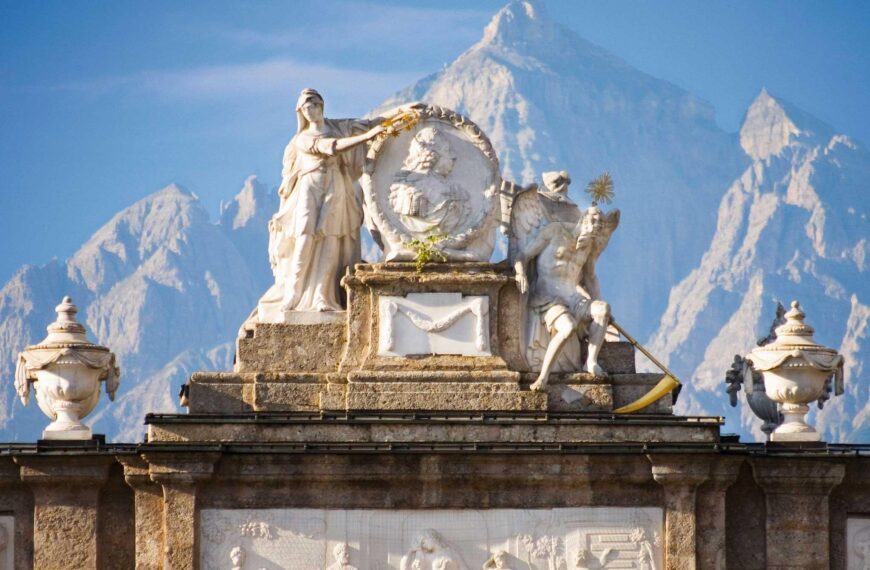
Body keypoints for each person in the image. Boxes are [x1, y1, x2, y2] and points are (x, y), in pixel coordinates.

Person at [264, 88, 413, 313]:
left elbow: (371, 122)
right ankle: (293, 294)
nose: (310, 111)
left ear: (321, 106)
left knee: (331, 240)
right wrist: (368, 137)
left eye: (313, 105)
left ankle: (323, 295)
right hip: (310, 188)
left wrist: (402, 111)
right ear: (301, 112)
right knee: (305, 238)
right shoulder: (303, 139)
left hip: (335, 187)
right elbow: (330, 147)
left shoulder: (338, 128)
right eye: (305, 108)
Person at [515, 205, 618, 391]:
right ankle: (543, 377)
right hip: (548, 297)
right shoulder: (555, 231)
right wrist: (520, 273)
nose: (596, 227)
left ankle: (591, 363)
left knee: (603, 309)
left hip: (574, 298)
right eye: (594, 221)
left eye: (600, 224)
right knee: (568, 326)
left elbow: (590, 277)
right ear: (584, 219)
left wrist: (598, 299)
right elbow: (523, 255)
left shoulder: (590, 246)